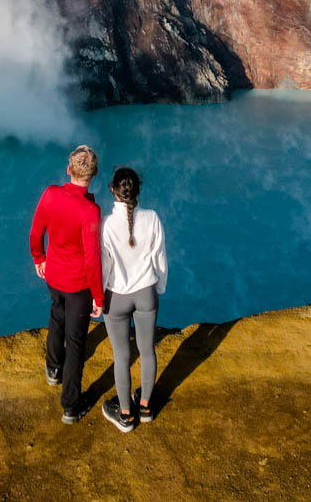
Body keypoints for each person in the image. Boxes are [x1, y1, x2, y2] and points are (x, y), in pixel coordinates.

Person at [29, 145, 104, 424]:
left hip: (54, 276)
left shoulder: (50, 194)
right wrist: (99, 297)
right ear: (94, 173)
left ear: (68, 169)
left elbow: (36, 231)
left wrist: (39, 258)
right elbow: (92, 260)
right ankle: (71, 405)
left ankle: (52, 370)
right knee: (76, 342)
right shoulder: (90, 211)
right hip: (78, 285)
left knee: (56, 316)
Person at [98, 167, 167, 433]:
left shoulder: (105, 224)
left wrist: (98, 297)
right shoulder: (152, 218)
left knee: (121, 355)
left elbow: (105, 267)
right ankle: (146, 407)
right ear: (137, 190)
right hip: (146, 293)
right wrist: (158, 287)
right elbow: (159, 259)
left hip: (116, 297)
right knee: (147, 350)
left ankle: (125, 414)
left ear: (113, 191)